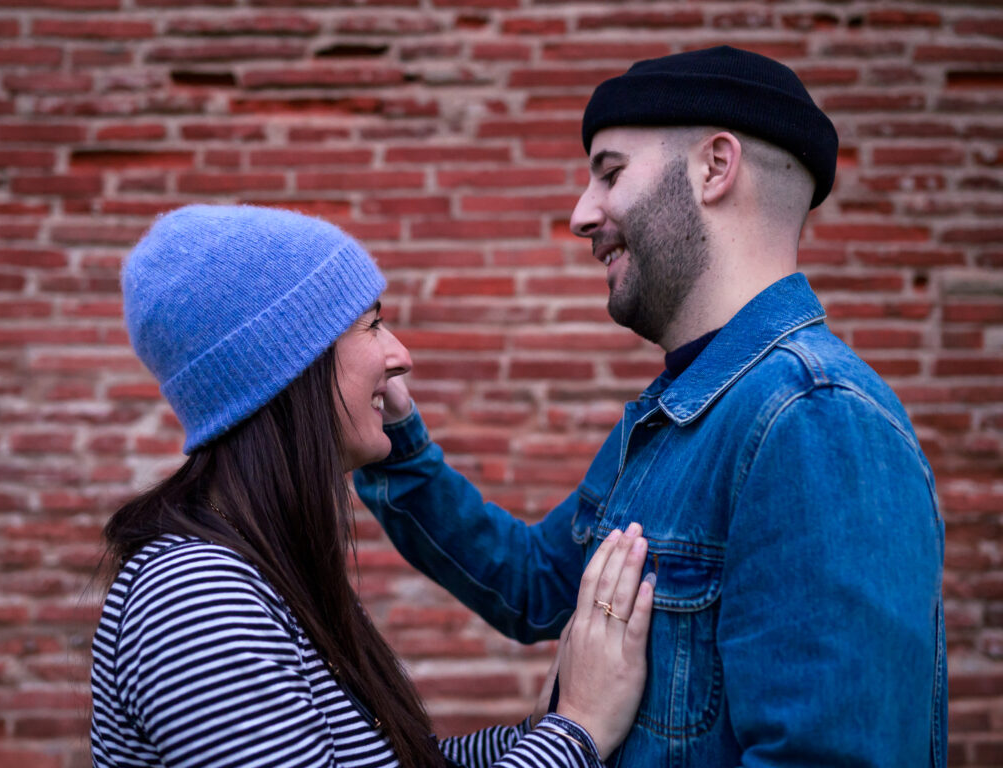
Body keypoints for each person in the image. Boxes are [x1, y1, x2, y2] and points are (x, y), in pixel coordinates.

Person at [354, 46, 947, 768]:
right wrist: (398, 449)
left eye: (610, 172)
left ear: (714, 168)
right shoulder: (680, 415)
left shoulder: (815, 420)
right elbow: (537, 585)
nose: (581, 213)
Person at [89, 204, 658, 768]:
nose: (399, 356)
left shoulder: (253, 571)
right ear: (292, 367)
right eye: (372, 324)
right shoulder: (201, 602)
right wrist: (575, 731)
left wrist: (537, 735)